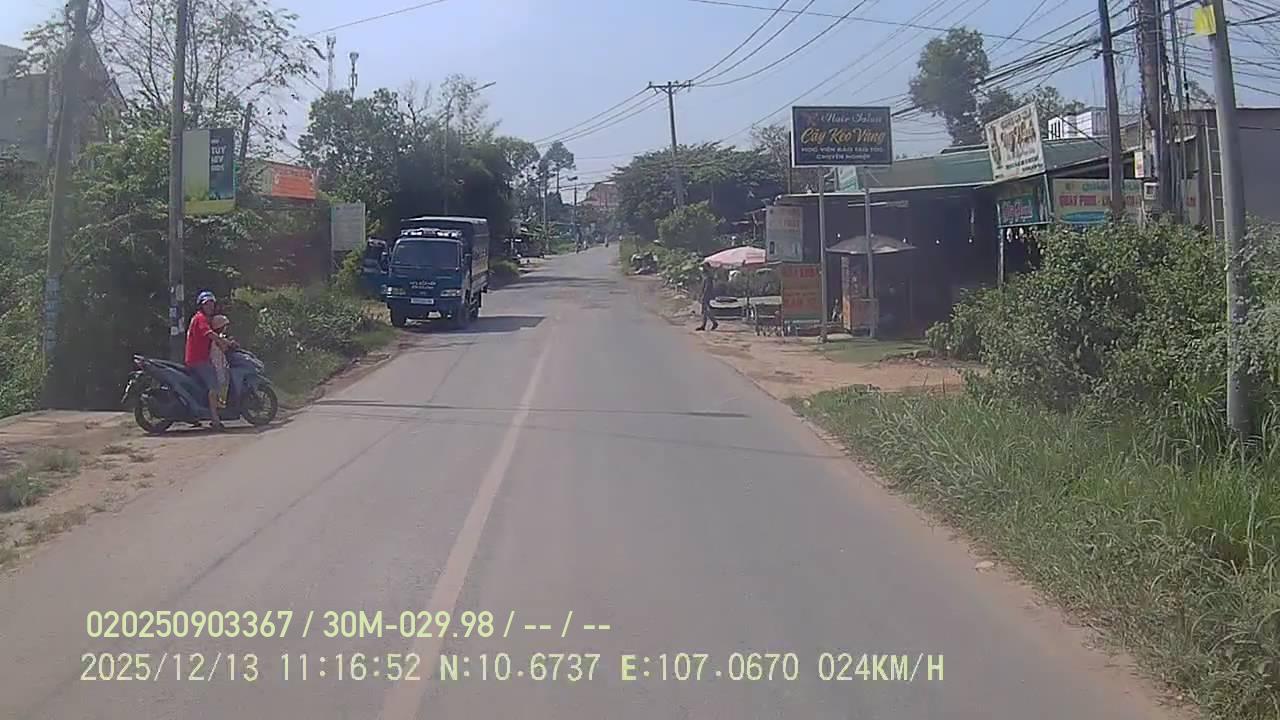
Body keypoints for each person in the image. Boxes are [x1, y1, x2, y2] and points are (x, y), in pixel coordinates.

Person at [186, 291, 235, 430]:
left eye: (212, 304)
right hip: (197, 360)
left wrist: (227, 342)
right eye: (207, 304)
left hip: (201, 359)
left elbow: (215, 337)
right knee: (213, 386)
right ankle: (215, 419)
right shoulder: (200, 318)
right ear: (201, 306)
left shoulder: (207, 319)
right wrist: (223, 342)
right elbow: (210, 334)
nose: (210, 306)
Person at [209, 315, 232, 408]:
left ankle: (219, 400)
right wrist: (230, 344)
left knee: (222, 382)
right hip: (216, 363)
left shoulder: (219, 336)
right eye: (224, 326)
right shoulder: (216, 339)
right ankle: (216, 402)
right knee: (218, 383)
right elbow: (224, 347)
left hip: (220, 362)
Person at [696, 263, 719, 331]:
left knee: (705, 310)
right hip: (707, 294)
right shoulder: (707, 276)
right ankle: (706, 324)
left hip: (707, 295)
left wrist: (703, 295)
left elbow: (707, 288)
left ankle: (713, 322)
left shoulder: (708, 277)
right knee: (705, 310)